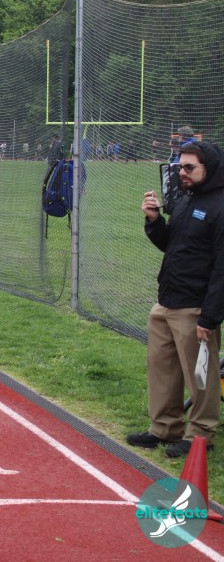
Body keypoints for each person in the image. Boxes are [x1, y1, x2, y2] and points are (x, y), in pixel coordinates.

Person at [129, 141, 224, 458]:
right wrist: (155, 221)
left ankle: (200, 435)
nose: (181, 172)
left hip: (195, 308)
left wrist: (209, 317)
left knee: (201, 375)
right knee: (163, 369)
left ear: (209, 168)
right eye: (179, 166)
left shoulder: (220, 206)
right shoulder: (185, 200)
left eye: (189, 167)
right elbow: (172, 245)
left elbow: (222, 269)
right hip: (166, 301)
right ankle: (164, 428)